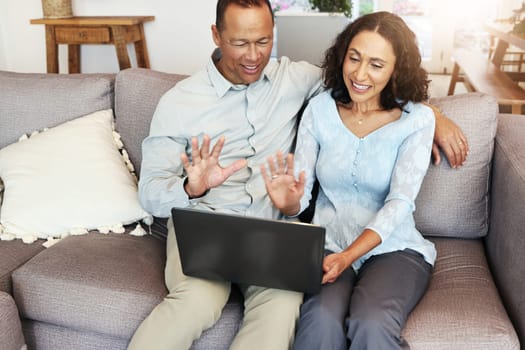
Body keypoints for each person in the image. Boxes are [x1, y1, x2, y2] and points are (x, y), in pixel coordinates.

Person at [129, 1, 467, 349]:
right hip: (205, 228)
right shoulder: (178, 102)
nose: (253, 56)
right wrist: (192, 187)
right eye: (240, 43)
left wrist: (431, 112)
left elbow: (365, 83)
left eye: (262, 41)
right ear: (216, 35)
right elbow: (150, 194)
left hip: (272, 235)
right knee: (197, 301)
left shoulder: (296, 79)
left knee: (281, 309)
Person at [260, 11, 438, 350]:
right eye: (353, 58)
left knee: (370, 324)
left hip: (393, 249)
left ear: (396, 69)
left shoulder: (418, 120)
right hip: (327, 246)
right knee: (320, 323)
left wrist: (349, 256)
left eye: (376, 64)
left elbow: (400, 201)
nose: (359, 74)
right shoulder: (319, 109)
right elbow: (303, 190)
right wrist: (290, 203)